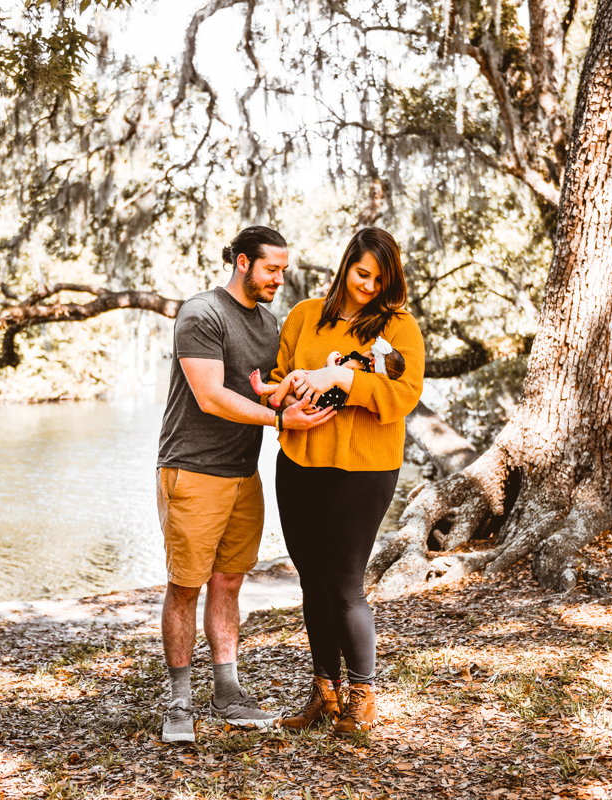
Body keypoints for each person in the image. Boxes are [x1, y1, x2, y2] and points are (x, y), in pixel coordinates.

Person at [156, 226, 335, 744]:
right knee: (186, 585)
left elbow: (265, 391)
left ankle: (227, 691)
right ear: (241, 263)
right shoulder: (201, 314)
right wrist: (280, 423)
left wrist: (313, 383)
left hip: (242, 473)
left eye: (283, 269)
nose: (281, 278)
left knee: (230, 582)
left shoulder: (268, 323)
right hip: (191, 470)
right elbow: (211, 396)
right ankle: (179, 699)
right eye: (271, 269)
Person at [270, 227, 424, 734]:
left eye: (380, 278)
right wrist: (289, 393)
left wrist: (341, 379)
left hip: (363, 470)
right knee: (312, 582)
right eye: (362, 274)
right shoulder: (304, 316)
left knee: (345, 585)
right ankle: (325, 693)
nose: (369, 286)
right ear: (345, 267)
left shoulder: (400, 329)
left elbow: (404, 396)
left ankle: (363, 695)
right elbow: (276, 381)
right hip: (299, 464)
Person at [248, 336, 407, 409]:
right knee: (294, 382)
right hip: (326, 399)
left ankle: (275, 398)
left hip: (322, 395)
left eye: (370, 351)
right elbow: (326, 373)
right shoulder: (367, 375)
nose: (366, 351)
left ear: (373, 360)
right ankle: (265, 389)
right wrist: (328, 365)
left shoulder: (360, 364)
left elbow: (332, 374)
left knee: (295, 375)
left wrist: (331, 358)